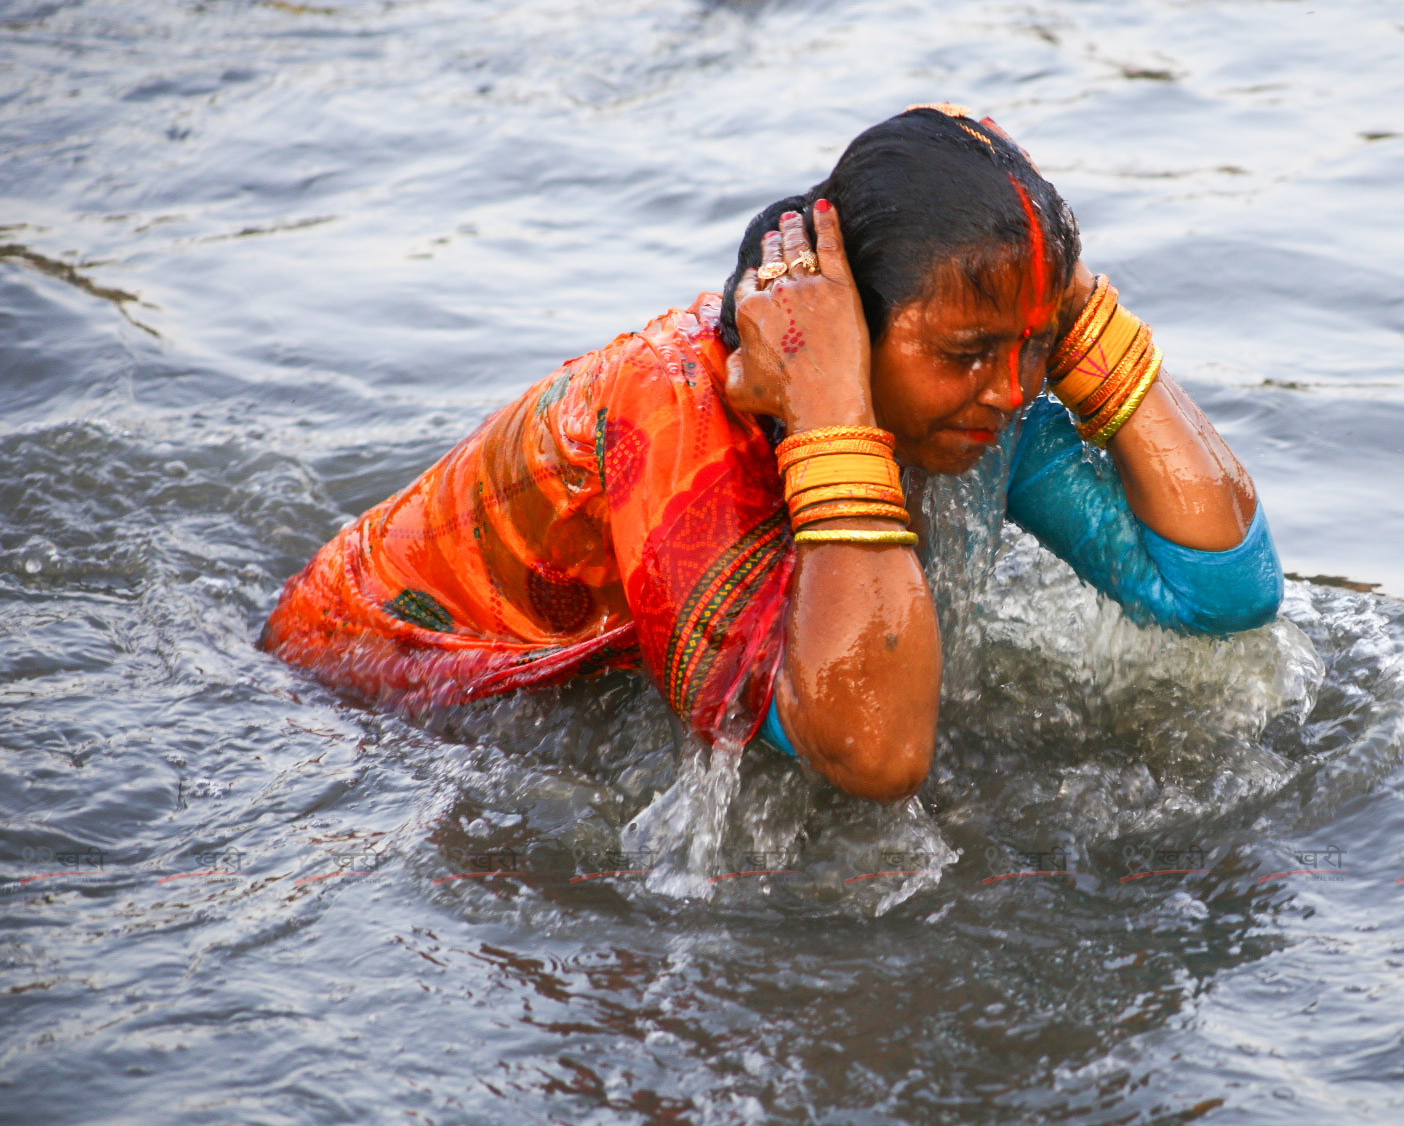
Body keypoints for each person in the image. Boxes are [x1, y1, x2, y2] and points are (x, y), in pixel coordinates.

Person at [261, 105, 1281, 801]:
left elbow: (1217, 590)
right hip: (363, 690)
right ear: (846, 329)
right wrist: (833, 405)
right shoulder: (680, 415)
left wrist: (1076, 308)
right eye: (970, 352)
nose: (1015, 390)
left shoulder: (969, 400)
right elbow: (875, 751)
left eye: (1037, 344)